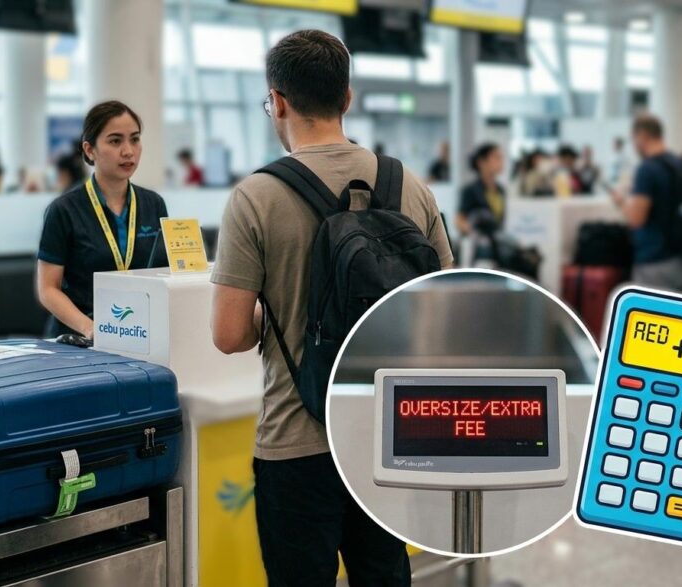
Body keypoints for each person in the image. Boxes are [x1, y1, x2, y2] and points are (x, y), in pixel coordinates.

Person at [209, 30, 453, 587]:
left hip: (297, 441)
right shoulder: (408, 186)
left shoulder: (256, 197)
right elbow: (443, 307)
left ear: (279, 101)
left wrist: (277, 311)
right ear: (347, 98)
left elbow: (227, 334)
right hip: (389, 435)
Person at [37, 101, 169, 337]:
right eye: (115, 141)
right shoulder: (64, 210)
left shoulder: (153, 204)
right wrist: (91, 329)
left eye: (135, 139)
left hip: (136, 333)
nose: (128, 151)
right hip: (79, 339)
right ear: (89, 150)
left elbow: (161, 274)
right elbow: (48, 288)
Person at [611, 115, 682, 291]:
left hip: (655, 260)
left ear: (642, 135)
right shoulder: (679, 165)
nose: (634, 146)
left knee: (653, 316)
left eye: (633, 139)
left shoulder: (647, 169)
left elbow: (636, 219)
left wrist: (621, 202)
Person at [457, 143, 506, 236]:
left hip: (498, 242)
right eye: (496, 158)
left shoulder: (501, 190)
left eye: (501, 158)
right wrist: (471, 230)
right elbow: (459, 220)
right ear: (481, 162)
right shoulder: (470, 190)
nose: (501, 161)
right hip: (480, 244)